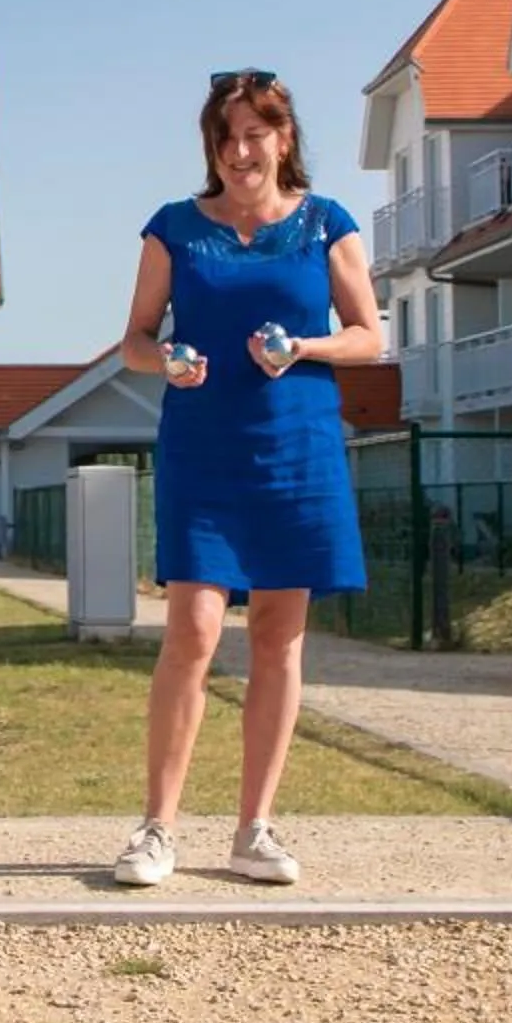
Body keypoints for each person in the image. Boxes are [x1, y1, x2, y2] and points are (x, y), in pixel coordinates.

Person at [112, 69, 382, 888]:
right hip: (203, 445)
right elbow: (132, 339)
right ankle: (157, 829)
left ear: (284, 137)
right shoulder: (173, 230)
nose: (239, 152)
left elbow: (369, 336)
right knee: (191, 630)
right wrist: (168, 359)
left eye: (254, 134)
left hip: (297, 447)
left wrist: (304, 346)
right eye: (225, 137)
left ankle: (253, 829)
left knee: (278, 637)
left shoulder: (326, 224)